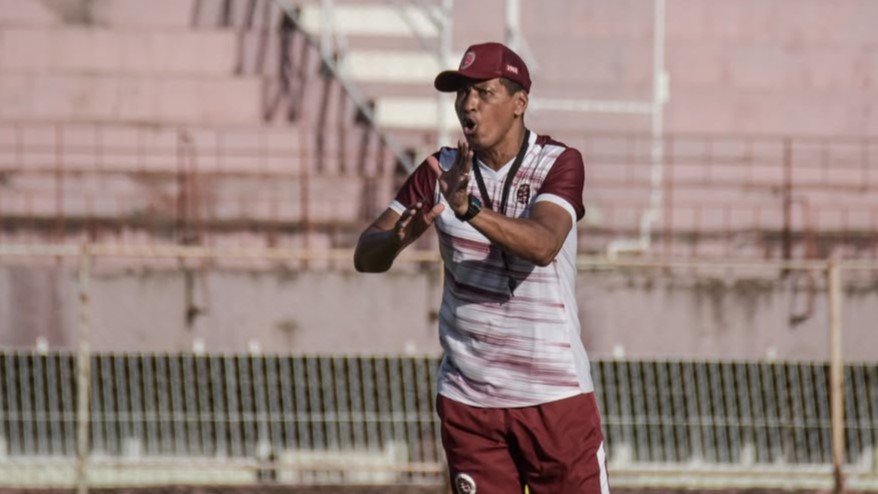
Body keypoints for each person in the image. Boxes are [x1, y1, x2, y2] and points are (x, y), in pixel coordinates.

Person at [354, 42, 609, 494]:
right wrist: (393, 241)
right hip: (469, 400)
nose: (468, 105)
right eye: (462, 94)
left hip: (554, 397)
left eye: (484, 93)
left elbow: (544, 244)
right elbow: (365, 256)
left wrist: (468, 209)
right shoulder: (438, 171)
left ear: (519, 104)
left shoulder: (558, 163)